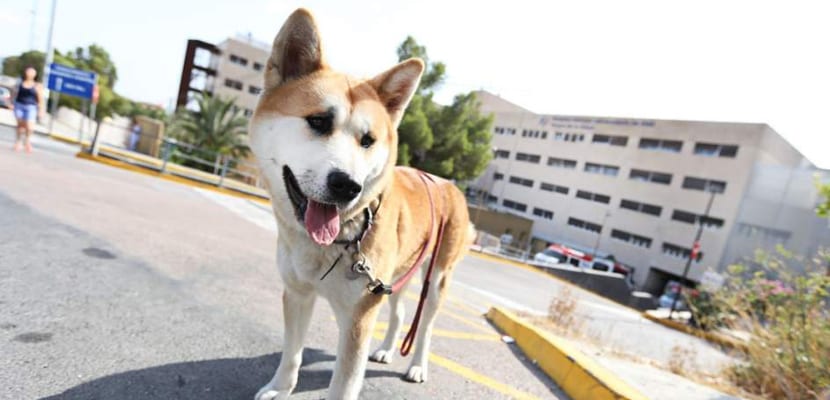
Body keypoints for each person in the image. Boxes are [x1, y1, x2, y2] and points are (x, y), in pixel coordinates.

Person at [11, 66, 45, 153]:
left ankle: (27, 141)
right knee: (20, 126)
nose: (30, 74)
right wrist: (11, 103)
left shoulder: (37, 85)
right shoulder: (20, 83)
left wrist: (41, 110)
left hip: (31, 107)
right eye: (28, 71)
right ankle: (18, 142)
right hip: (19, 105)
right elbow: (13, 93)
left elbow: (40, 99)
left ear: (35, 74)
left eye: (32, 72)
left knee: (29, 127)